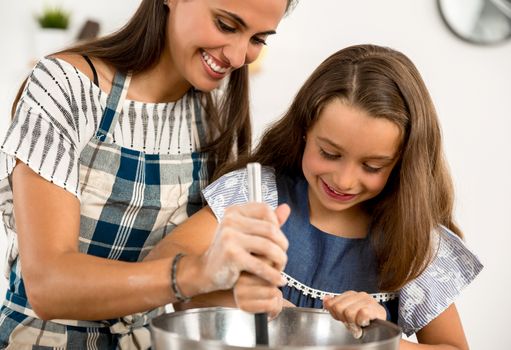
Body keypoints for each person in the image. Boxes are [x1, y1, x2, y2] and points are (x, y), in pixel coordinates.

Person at [0, 0, 298, 348]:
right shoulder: (66, 86)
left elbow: (188, 294)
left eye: (258, 39)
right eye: (226, 25)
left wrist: (256, 300)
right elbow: (49, 287)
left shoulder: (210, 115)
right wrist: (196, 272)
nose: (236, 56)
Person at [149, 44, 483, 349]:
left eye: (371, 165)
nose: (344, 180)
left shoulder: (412, 241)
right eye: (330, 153)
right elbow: (164, 265)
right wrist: (236, 298)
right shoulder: (256, 195)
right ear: (305, 129)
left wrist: (380, 339)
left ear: (402, 164)